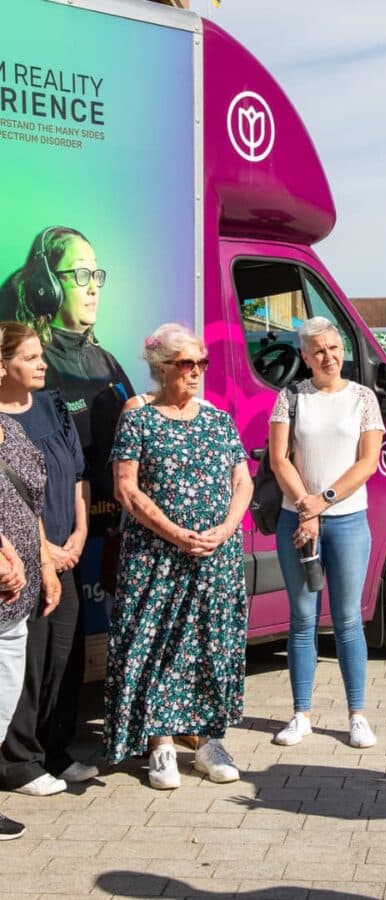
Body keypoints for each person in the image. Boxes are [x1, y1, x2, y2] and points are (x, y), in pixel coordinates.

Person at [106, 323, 251, 789]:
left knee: (211, 645)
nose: (197, 372)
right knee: (157, 647)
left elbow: (243, 482)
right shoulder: (139, 416)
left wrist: (226, 530)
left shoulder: (217, 418)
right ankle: (161, 743)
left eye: (202, 363)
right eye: (188, 364)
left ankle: (207, 742)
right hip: (156, 556)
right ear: (162, 367)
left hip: (215, 557)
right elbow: (126, 490)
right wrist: (174, 533)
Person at [267, 318, 385, 750]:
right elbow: (280, 459)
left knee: (348, 619)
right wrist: (306, 507)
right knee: (302, 619)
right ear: (304, 355)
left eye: (334, 348)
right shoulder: (291, 397)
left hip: (348, 521)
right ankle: (301, 715)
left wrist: (325, 500)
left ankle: (357, 715)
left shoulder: (362, 398)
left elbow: (367, 462)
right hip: (296, 521)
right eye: (318, 350)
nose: (328, 356)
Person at [0, 323, 95, 798]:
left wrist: (80, 532)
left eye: (42, 356)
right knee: (28, 663)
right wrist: (45, 553)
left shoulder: (54, 404)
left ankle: (55, 750)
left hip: (67, 550)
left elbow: (79, 475)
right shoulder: (1, 424)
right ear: (4, 366)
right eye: (31, 357)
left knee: (65, 657)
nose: (42, 363)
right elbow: (20, 501)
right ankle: (19, 762)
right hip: (30, 557)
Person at [0, 227, 134, 537]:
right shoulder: (34, 368)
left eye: (95, 275)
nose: (93, 289)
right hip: (56, 529)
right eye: (80, 275)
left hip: (109, 522)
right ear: (47, 287)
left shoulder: (106, 360)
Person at [0, 324, 61, 838]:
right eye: (31, 355)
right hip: (1, 581)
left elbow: (30, 505)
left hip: (18, 591)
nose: (43, 364)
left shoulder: (14, 429)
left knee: (4, 694)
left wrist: (41, 561)